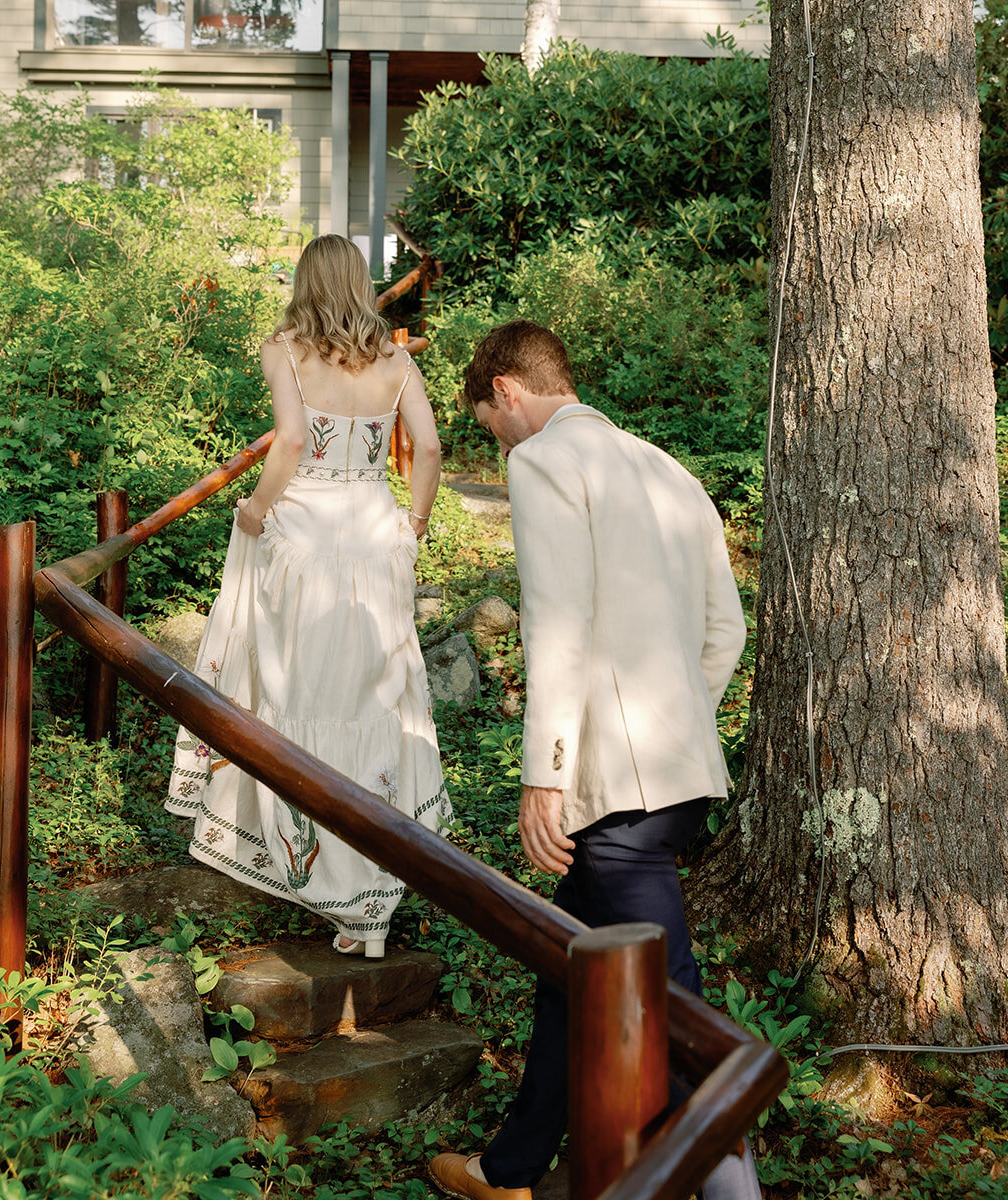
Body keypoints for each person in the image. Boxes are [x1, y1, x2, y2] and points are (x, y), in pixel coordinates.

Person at [429, 320, 761, 1200]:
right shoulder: (666, 468)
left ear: (505, 389)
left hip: (610, 792)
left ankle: (730, 1188)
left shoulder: (544, 464)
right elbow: (724, 631)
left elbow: (558, 631)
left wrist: (544, 776)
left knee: (669, 1001)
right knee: (565, 968)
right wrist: (677, 719)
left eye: (487, 423)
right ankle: (510, 1170)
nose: (493, 442)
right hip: (677, 773)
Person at [166, 234, 451, 958]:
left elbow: (290, 441)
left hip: (304, 535)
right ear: (358, 282)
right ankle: (368, 901)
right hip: (374, 535)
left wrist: (257, 508)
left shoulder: (285, 348)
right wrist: (411, 523)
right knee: (371, 698)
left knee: (299, 691)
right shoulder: (393, 356)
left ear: (304, 280)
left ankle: (307, 868)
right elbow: (430, 446)